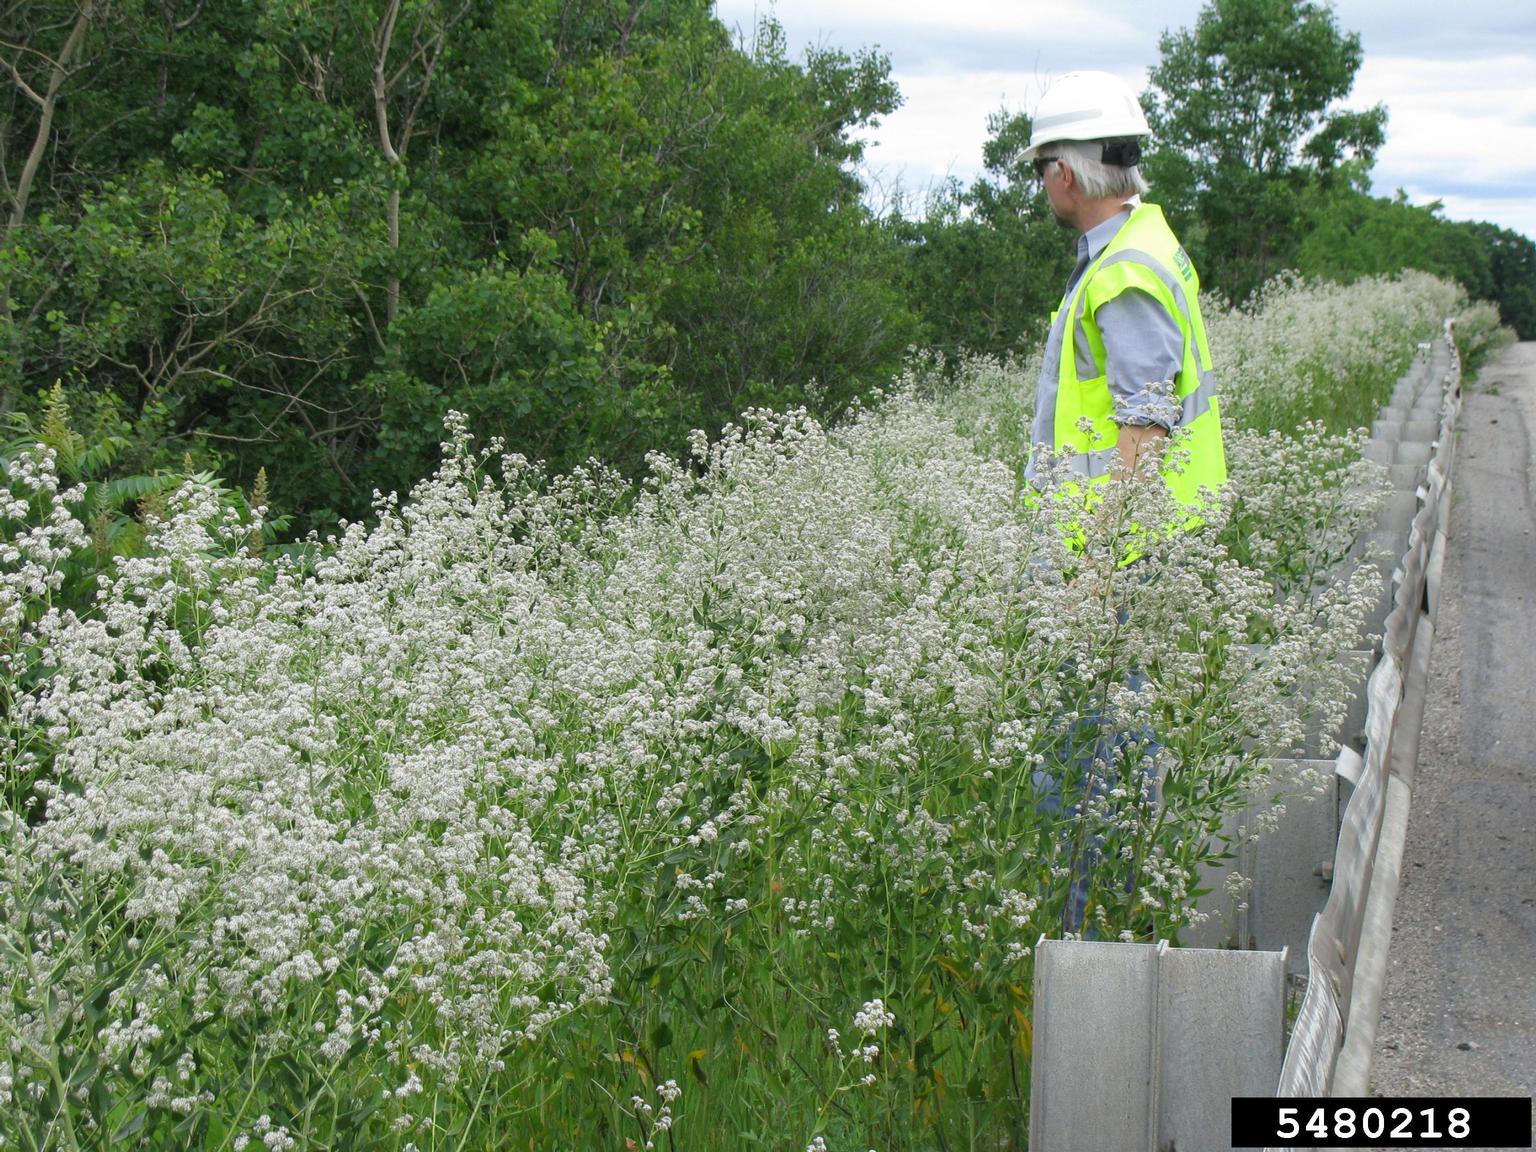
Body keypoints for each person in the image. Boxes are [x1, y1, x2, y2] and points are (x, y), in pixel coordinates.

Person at [1021, 70, 1227, 934]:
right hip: (1131, 546)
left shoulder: (1126, 272)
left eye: (1041, 170)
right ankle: (1108, 915)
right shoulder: (1142, 242)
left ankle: (1088, 936)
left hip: (1120, 555)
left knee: (1089, 749)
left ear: (1066, 175)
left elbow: (1144, 426)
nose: (1041, 187)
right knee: (1113, 737)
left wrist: (1096, 565)